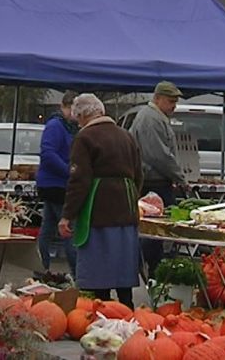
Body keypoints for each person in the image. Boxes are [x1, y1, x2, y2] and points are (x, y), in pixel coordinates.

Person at [58, 94, 143, 308]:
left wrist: (68, 215)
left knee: (100, 268)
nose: (78, 123)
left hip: (98, 210)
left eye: (78, 118)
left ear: (85, 115)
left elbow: (79, 180)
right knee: (123, 264)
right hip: (126, 207)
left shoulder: (85, 138)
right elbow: (139, 174)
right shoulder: (126, 136)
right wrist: (131, 197)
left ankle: (103, 311)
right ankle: (127, 308)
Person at [128, 80, 187, 278]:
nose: (174, 106)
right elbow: (159, 155)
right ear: (158, 98)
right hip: (153, 184)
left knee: (155, 234)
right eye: (171, 101)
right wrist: (180, 177)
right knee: (153, 233)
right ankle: (145, 272)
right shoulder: (151, 119)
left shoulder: (154, 117)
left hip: (156, 182)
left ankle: (148, 270)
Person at [36, 90, 79, 277]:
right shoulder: (55, 126)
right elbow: (48, 153)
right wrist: (68, 170)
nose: (74, 114)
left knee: (48, 228)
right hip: (56, 184)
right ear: (63, 107)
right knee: (68, 228)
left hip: (55, 183)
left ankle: (40, 267)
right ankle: (77, 274)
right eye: (71, 108)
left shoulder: (70, 127)